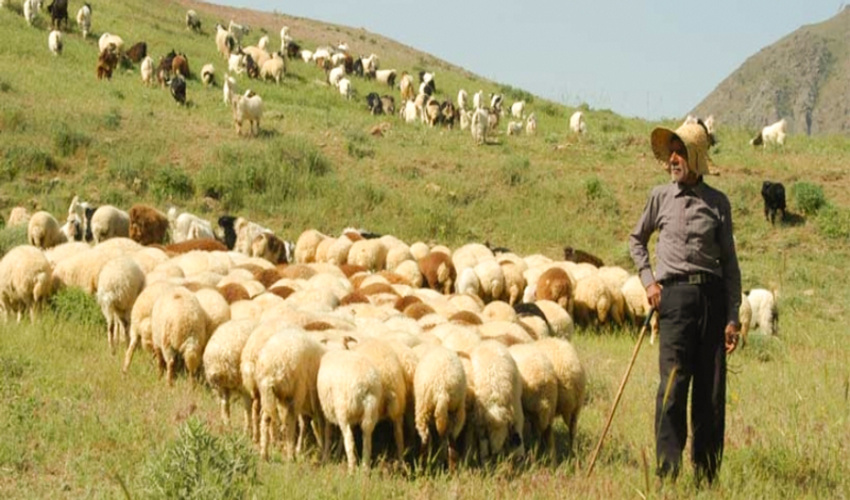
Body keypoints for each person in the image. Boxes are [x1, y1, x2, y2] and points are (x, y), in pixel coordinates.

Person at [628, 121, 742, 485]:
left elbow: (730, 264)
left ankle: (707, 476)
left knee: (710, 392)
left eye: (680, 152)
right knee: (673, 386)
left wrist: (733, 316)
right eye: (671, 152)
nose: (672, 159)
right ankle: (668, 472)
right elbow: (636, 240)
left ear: (695, 158)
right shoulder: (660, 196)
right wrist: (649, 282)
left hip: (711, 299)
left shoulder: (718, 203)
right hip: (674, 299)